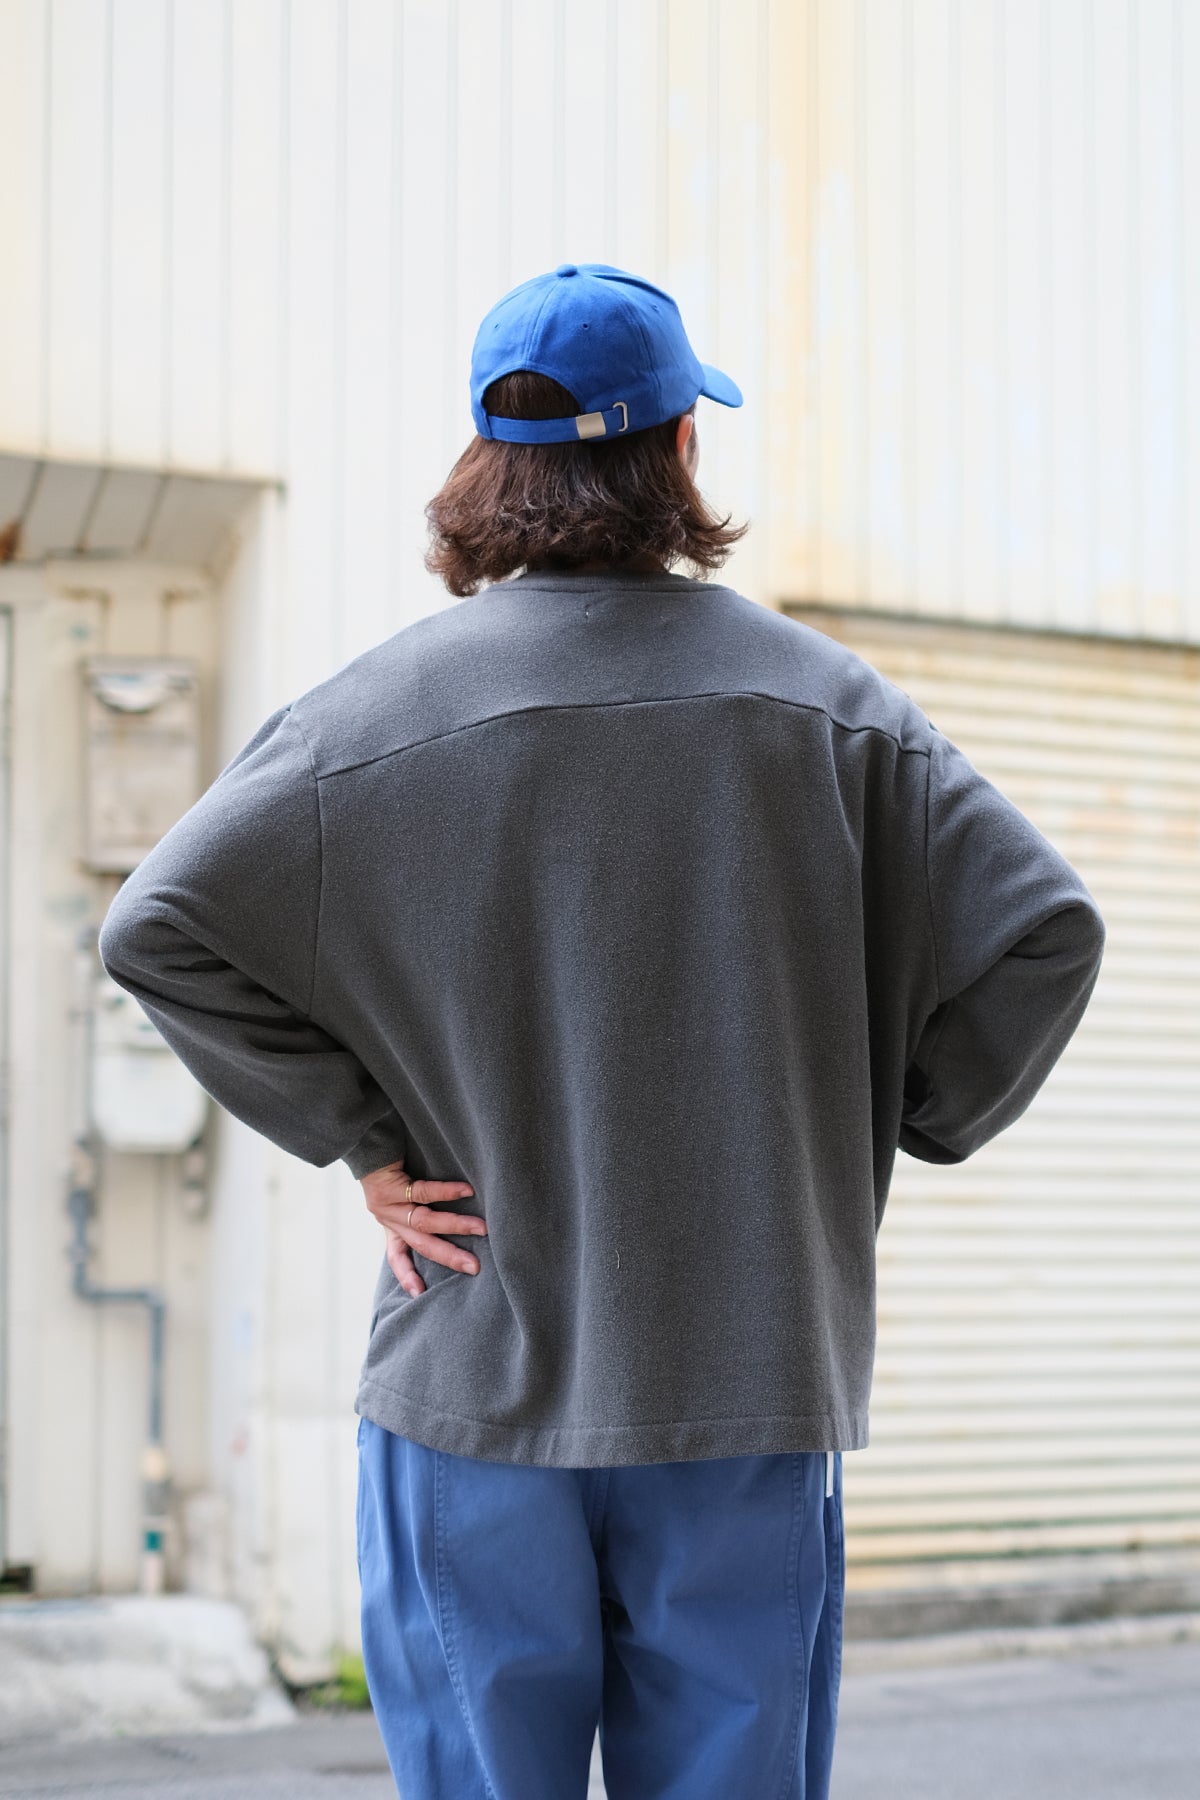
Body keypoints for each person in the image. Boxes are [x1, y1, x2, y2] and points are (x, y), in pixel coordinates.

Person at [97, 261, 1107, 1800]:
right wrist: (901, 1116)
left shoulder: (365, 721)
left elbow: (159, 928)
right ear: (681, 449)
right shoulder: (826, 708)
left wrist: (363, 1145)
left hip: (472, 1368)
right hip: (745, 1379)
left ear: (486, 463)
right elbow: (1045, 930)